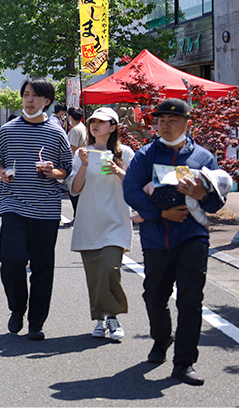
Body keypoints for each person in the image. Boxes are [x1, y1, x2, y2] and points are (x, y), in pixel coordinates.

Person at [123, 98, 223, 386]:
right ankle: (161, 339)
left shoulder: (203, 158)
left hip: (193, 237)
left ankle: (184, 362)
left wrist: (203, 196)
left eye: (172, 120)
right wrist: (160, 212)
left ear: (187, 123)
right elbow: (131, 190)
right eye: (160, 121)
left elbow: (217, 201)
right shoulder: (145, 156)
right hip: (156, 238)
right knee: (154, 296)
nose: (165, 126)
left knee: (191, 299)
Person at [0, 77, 72, 340]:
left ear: (46, 101)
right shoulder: (8, 129)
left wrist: (52, 172)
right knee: (11, 260)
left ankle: (36, 322)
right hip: (13, 204)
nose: (29, 100)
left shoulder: (57, 132)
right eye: (26, 94)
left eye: (35, 96)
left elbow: (66, 169)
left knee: (42, 267)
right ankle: (17, 308)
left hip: (46, 209)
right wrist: (2, 173)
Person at [66, 107, 134, 341]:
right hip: (89, 220)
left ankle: (113, 316)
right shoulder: (82, 154)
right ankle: (100, 319)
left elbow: (135, 188)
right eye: (92, 121)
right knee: (94, 273)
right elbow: (74, 189)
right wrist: (84, 164)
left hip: (116, 220)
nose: (95, 125)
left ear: (113, 127)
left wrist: (118, 171)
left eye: (102, 122)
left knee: (110, 268)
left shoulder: (125, 153)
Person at [65, 107, 88, 226]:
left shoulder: (75, 130)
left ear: (70, 116)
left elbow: (72, 148)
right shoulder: (83, 127)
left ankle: (77, 217)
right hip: (82, 161)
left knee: (73, 192)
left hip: (76, 162)